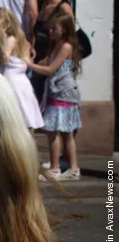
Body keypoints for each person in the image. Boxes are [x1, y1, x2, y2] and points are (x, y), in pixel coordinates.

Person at [26, 11, 83, 181]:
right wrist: (33, 60)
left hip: (62, 94)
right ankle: (73, 168)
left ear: (64, 30)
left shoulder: (65, 47)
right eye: (50, 29)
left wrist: (28, 64)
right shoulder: (57, 46)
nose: (50, 32)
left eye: (54, 29)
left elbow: (51, 69)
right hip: (59, 93)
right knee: (65, 133)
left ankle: (55, 168)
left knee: (53, 132)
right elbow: (45, 64)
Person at [0, 7, 44, 132]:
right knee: (25, 115)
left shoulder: (10, 38)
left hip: (12, 80)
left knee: (20, 115)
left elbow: (5, 58)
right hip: (19, 79)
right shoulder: (19, 37)